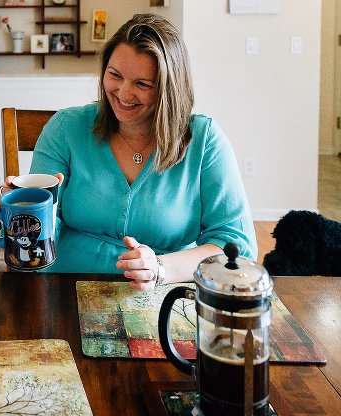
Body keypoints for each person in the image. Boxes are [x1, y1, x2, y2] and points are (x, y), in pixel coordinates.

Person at [26, 13, 257, 290]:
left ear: (168, 90)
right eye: (115, 75)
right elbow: (37, 222)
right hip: (65, 286)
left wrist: (161, 268)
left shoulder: (205, 139)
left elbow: (237, 247)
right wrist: (10, 216)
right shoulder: (66, 128)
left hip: (164, 293)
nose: (123, 93)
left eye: (142, 84)